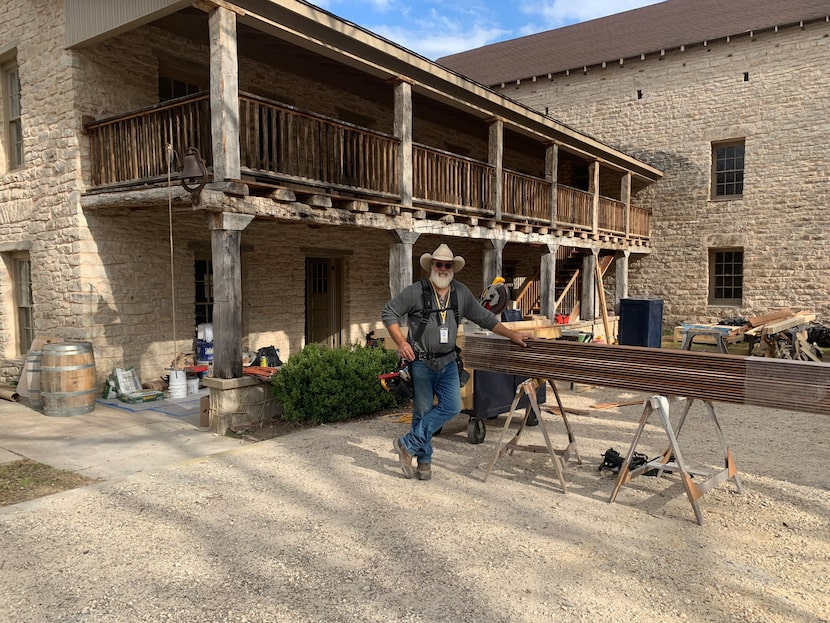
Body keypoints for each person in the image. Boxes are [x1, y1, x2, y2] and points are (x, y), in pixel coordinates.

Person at [381, 243, 529, 480]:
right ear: (432, 266)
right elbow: (389, 312)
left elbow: (485, 318)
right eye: (439, 264)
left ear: (453, 268)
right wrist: (401, 342)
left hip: (449, 362)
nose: (443, 268)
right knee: (422, 411)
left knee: (452, 407)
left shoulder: (460, 293)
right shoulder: (416, 291)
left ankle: (407, 444)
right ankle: (424, 462)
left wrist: (513, 335)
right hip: (420, 362)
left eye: (447, 265)